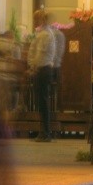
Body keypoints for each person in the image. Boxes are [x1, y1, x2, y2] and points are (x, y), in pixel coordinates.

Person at [26, 10, 64, 141]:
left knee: (43, 103)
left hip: (43, 69)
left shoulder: (45, 35)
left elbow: (40, 54)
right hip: (42, 69)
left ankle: (46, 132)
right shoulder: (43, 34)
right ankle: (44, 132)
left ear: (42, 20)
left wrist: (33, 67)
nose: (35, 21)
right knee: (42, 102)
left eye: (37, 19)